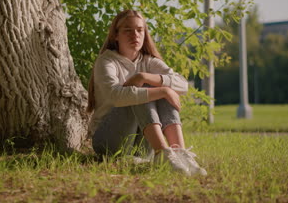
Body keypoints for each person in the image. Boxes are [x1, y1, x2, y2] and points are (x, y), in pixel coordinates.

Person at [87, 10, 207, 176]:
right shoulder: (107, 61)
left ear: (144, 34)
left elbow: (183, 85)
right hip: (108, 140)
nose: (134, 35)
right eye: (127, 30)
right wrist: (162, 90)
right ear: (116, 35)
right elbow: (115, 96)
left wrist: (144, 76)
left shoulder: (148, 61)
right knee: (148, 92)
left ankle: (180, 154)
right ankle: (162, 153)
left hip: (142, 143)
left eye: (139, 30)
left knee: (160, 88)